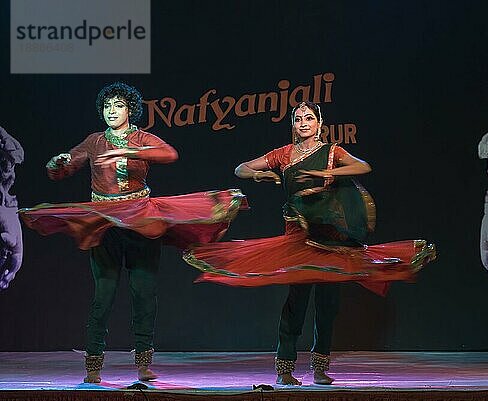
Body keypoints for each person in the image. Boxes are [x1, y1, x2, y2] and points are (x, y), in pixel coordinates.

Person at [184, 101, 435, 385]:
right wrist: (258, 173)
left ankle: (319, 368)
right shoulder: (284, 154)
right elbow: (240, 168)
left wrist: (327, 173)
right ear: (293, 124)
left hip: (328, 235)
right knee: (297, 301)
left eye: (309, 118)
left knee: (328, 304)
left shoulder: (331, 151)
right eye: (298, 118)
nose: (303, 123)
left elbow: (363, 166)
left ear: (319, 124)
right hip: (298, 236)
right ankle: (284, 369)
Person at [19, 82, 247, 383]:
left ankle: (143, 363)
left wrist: (130, 148)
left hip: (140, 222)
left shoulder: (142, 138)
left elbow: (169, 154)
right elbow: (63, 168)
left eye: (118, 105)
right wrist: (56, 164)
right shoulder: (94, 141)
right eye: (107, 106)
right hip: (106, 225)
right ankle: (93, 366)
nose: (112, 111)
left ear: (130, 110)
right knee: (103, 295)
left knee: (144, 293)